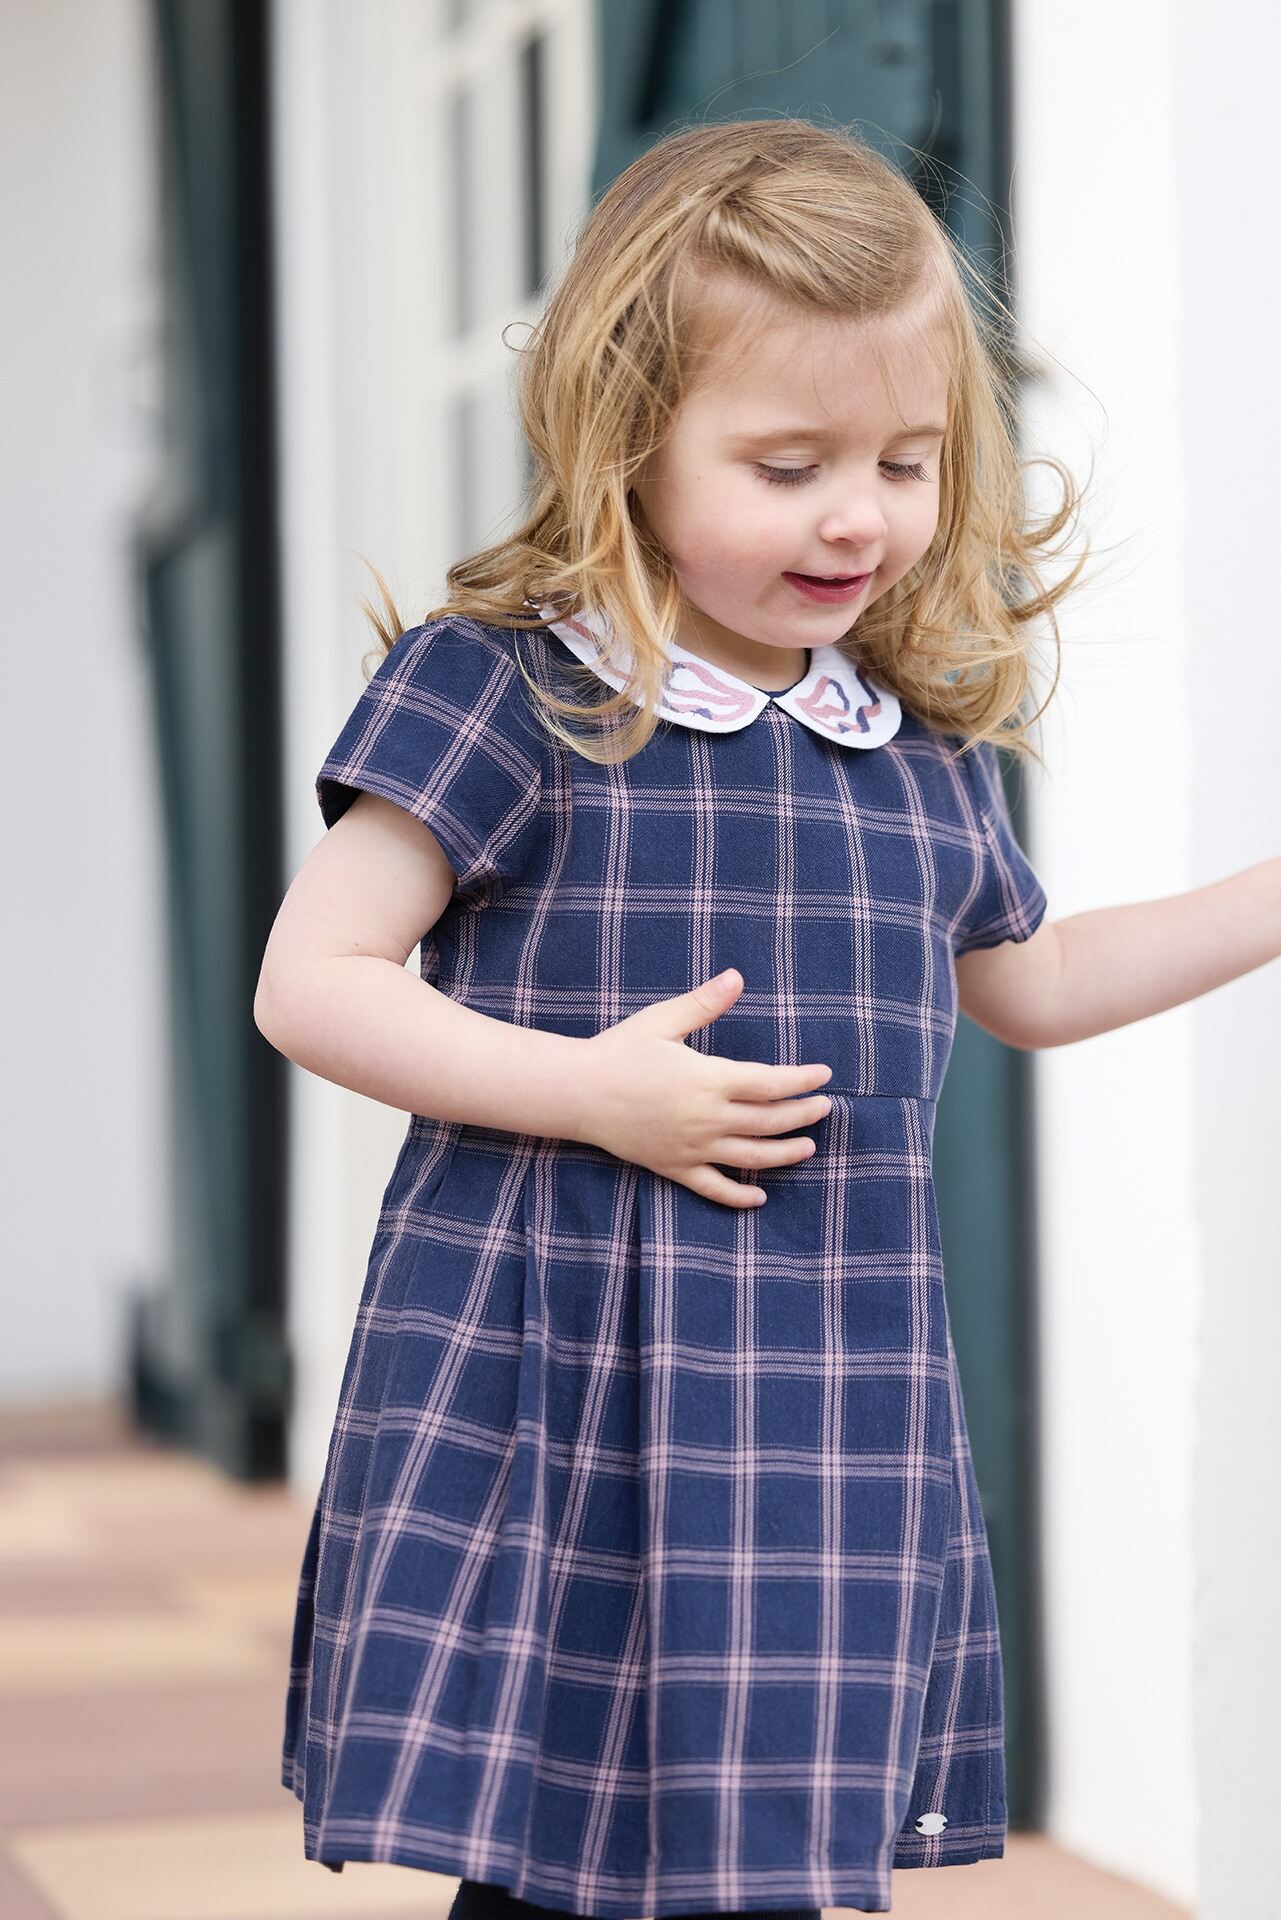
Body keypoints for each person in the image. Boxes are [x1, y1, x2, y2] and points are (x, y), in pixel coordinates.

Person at [255, 119, 1280, 1919]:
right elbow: (310, 984)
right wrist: (593, 1091)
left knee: (757, 1854)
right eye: (787, 460)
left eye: (904, 457)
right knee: (558, 1856)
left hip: (819, 1394)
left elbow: (1029, 985)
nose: (856, 514)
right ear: (622, 437)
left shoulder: (911, 748)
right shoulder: (507, 689)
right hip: (567, 1375)